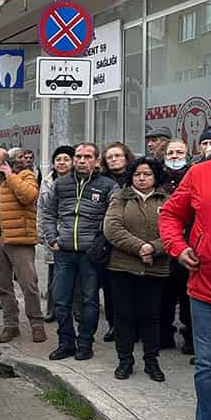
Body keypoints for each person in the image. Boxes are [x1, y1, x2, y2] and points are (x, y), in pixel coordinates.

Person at [159, 151, 211, 420]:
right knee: (208, 366)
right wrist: (178, 247)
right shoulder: (200, 174)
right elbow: (169, 214)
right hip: (206, 289)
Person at [42, 143, 118, 361]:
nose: (82, 160)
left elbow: (114, 216)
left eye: (87, 157)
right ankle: (66, 342)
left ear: (96, 161)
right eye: (78, 156)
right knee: (60, 300)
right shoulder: (60, 184)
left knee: (89, 301)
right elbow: (48, 212)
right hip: (64, 252)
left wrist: (101, 242)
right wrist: (52, 239)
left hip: (90, 254)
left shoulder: (107, 186)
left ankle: (85, 343)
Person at [103, 157, 169, 382]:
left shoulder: (166, 199)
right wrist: (140, 247)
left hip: (156, 268)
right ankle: (125, 361)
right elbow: (112, 228)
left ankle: (151, 361)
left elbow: (174, 230)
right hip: (122, 268)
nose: (142, 178)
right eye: (137, 174)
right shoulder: (120, 197)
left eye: (147, 174)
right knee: (124, 316)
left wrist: (154, 247)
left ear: (155, 176)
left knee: (151, 317)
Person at [0, 147, 46, 344]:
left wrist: (10, 176)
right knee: (3, 286)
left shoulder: (25, 175)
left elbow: (29, 196)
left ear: (5, 163)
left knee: (28, 284)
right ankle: (11, 325)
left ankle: (36, 324)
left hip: (19, 239)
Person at [99, 142, 136, 342]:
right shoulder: (101, 180)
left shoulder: (136, 176)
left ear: (126, 157)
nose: (113, 159)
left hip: (135, 236)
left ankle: (136, 326)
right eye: (110, 157)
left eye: (117, 156)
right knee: (111, 288)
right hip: (109, 240)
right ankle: (115, 326)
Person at [160, 139, 193, 353]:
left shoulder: (194, 176)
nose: (174, 156)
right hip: (163, 248)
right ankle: (164, 336)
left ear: (187, 155)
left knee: (189, 299)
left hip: (189, 247)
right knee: (165, 297)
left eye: (179, 152)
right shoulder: (157, 178)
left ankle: (190, 338)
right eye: (170, 152)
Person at [38, 146, 74, 323]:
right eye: (58, 159)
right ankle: (53, 310)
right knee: (54, 275)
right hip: (52, 234)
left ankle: (75, 310)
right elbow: (41, 209)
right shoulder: (46, 182)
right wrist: (41, 232)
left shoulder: (78, 181)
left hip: (72, 234)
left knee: (74, 274)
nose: (61, 162)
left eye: (66, 159)